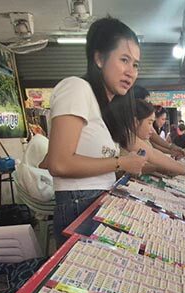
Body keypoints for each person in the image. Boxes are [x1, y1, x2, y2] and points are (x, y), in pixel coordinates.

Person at [40, 17, 148, 242]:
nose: (131, 72)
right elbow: (59, 164)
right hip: (79, 203)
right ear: (99, 58)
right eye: (124, 60)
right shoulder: (76, 87)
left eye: (136, 65)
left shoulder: (103, 106)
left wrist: (183, 170)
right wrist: (122, 163)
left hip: (95, 200)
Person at [116, 98, 185, 183]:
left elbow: (153, 153)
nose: (152, 129)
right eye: (149, 123)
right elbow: (151, 156)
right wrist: (159, 168)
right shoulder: (125, 138)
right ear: (135, 122)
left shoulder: (135, 138)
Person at [133, 86, 185, 159]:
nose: (148, 105)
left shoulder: (145, 133)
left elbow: (152, 147)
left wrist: (171, 149)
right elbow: (152, 151)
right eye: (149, 122)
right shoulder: (130, 136)